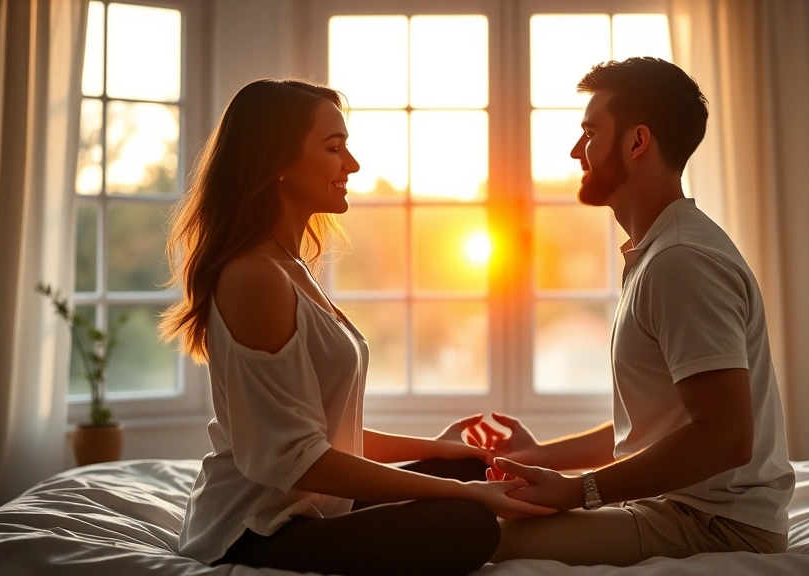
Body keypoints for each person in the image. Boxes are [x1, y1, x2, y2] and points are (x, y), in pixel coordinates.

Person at [158, 79, 554, 576]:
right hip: (256, 531)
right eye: (334, 148)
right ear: (275, 162)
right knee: (468, 523)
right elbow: (297, 456)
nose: (353, 165)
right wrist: (462, 492)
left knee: (470, 465)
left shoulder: (292, 268)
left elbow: (318, 433)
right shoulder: (254, 276)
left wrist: (443, 449)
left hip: (318, 506)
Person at [475, 57, 796, 566]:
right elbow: (660, 430)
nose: (576, 151)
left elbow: (725, 437)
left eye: (589, 134)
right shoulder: (659, 251)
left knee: (464, 536)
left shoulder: (680, 262)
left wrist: (580, 491)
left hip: (713, 526)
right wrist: (536, 460)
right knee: (462, 511)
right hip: (683, 509)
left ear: (636, 141)